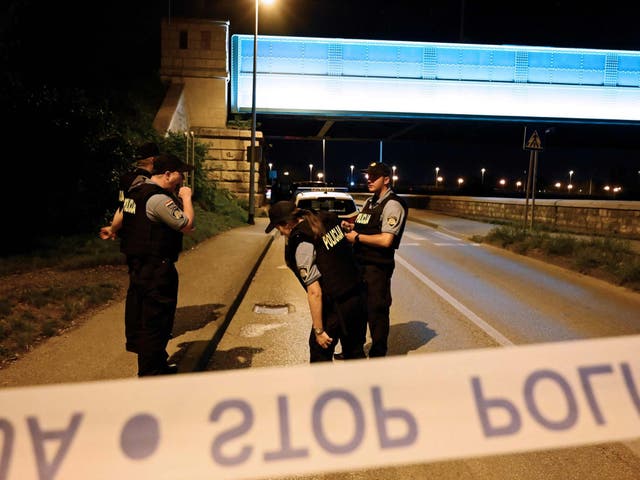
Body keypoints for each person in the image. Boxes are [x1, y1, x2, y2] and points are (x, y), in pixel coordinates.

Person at [119, 153, 195, 376]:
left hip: (138, 267)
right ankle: (151, 374)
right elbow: (186, 225)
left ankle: (156, 363)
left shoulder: (135, 192)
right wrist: (187, 198)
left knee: (142, 318)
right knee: (157, 321)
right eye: (180, 174)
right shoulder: (159, 199)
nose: (183, 179)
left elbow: (121, 215)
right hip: (157, 269)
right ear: (168, 174)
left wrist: (113, 230)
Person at [265, 201, 367, 362]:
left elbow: (315, 292)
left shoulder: (302, 239)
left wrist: (319, 330)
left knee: (320, 354)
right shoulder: (325, 220)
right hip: (357, 298)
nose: (280, 233)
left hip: (335, 306)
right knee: (355, 354)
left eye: (278, 228)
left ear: (285, 224)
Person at [342, 162, 408, 358]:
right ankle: (355, 352)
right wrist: (350, 228)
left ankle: (378, 355)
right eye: (368, 176)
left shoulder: (393, 205)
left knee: (376, 312)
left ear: (386, 179)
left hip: (377, 268)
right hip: (360, 265)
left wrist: (357, 238)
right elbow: (364, 227)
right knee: (359, 311)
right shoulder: (371, 202)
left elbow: (387, 240)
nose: (369, 179)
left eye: (374, 176)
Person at [100, 142, 160, 240]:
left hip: (128, 235)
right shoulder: (151, 180)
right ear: (153, 159)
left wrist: (113, 228)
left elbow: (123, 207)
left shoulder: (125, 178)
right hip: (147, 235)